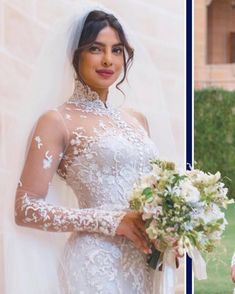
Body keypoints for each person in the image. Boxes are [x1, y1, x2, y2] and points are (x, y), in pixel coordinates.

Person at [2, 4, 181, 294]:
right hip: (95, 264)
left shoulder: (137, 120)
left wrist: (171, 230)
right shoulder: (57, 120)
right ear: (76, 54)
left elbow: (152, 193)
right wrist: (111, 220)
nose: (108, 60)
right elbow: (25, 208)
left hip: (144, 263)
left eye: (117, 50)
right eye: (96, 49)